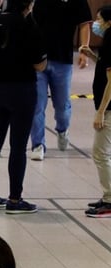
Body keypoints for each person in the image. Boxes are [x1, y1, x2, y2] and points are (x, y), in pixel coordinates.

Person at [0, 0, 46, 215]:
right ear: (29, 5)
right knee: (18, 146)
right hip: (23, 91)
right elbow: (40, 65)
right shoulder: (31, 28)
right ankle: (15, 199)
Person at [28, 0, 90, 161]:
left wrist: (84, 50)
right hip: (37, 59)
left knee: (62, 107)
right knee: (37, 105)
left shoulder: (78, 2)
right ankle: (37, 144)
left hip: (63, 60)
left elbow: (84, 25)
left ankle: (63, 130)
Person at [86, 7, 111, 218]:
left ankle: (110, 200)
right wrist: (92, 56)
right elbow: (105, 68)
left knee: (100, 153)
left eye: (99, 19)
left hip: (109, 109)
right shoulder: (107, 42)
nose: (96, 22)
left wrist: (101, 111)